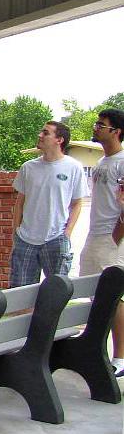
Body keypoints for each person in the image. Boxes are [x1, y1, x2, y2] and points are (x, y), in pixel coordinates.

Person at [9, 121, 88, 287]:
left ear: (59, 140)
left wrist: (67, 233)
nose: (40, 135)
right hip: (25, 239)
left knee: (55, 294)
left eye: (45, 133)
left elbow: (77, 204)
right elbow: (19, 202)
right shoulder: (28, 167)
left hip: (56, 239)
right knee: (19, 296)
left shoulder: (74, 167)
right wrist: (16, 231)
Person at [83, 108, 124, 377]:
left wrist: (116, 236)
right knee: (94, 295)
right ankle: (99, 353)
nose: (96, 128)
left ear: (117, 132)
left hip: (111, 240)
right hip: (94, 236)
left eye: (102, 125)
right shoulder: (101, 163)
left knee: (114, 298)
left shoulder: (122, 161)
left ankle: (120, 358)